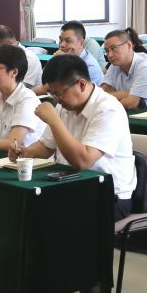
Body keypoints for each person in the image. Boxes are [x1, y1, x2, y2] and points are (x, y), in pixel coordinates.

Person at [12, 54, 136, 218]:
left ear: (81, 85)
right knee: (21, 208)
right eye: (52, 94)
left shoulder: (108, 109)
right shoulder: (65, 105)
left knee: (44, 218)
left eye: (59, 93)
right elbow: (46, 147)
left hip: (108, 196)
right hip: (70, 185)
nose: (56, 99)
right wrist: (25, 152)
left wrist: (54, 121)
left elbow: (83, 161)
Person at [100, 28, 147, 110]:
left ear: (129, 45)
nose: (110, 55)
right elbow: (104, 90)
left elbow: (131, 103)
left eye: (113, 48)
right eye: (107, 51)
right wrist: (127, 93)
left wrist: (107, 100)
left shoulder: (145, 66)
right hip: (138, 114)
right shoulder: (115, 66)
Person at [37, 20, 104, 91]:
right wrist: (53, 60)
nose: (62, 45)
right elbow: (44, 81)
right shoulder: (65, 58)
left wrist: (62, 62)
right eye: (60, 40)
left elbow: (76, 93)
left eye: (68, 41)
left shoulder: (90, 67)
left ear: (81, 42)